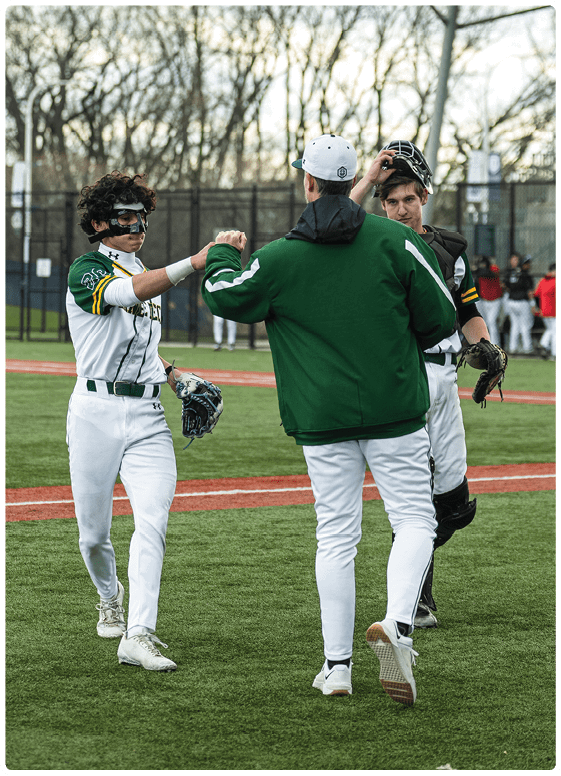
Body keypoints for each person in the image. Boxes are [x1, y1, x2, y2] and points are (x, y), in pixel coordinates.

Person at [202, 134, 456, 705]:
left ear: (309, 183)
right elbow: (440, 316)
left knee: (336, 536)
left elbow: (221, 294)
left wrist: (223, 251)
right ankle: (399, 627)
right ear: (355, 183)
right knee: (416, 521)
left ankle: (337, 667)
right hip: (395, 409)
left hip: (322, 418)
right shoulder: (395, 239)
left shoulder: (278, 257)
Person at [66, 171, 213, 671]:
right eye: (124, 215)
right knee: (93, 535)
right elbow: (126, 294)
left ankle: (139, 635)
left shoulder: (142, 272)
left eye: (140, 214)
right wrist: (196, 261)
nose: (136, 223)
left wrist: (174, 375)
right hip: (95, 412)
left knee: (152, 520)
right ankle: (110, 595)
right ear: (98, 222)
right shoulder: (86, 271)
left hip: (147, 414)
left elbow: (141, 347)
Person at [350, 140, 493, 630]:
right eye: (391, 201)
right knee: (417, 498)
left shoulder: (451, 249)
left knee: (453, 503)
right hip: (400, 376)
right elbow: (329, 221)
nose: (401, 208)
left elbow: (469, 312)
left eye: (408, 199)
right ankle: (413, 601)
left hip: (444, 376)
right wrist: (367, 178)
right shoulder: (368, 242)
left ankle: (414, 591)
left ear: (424, 196)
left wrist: (487, 350)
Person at [502, 253, 534, 354]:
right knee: (525, 325)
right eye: (527, 263)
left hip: (511, 301)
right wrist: (533, 304)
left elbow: (504, 285)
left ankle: (513, 348)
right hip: (522, 302)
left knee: (515, 325)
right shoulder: (525, 274)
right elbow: (529, 291)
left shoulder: (512, 272)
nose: (529, 265)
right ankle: (527, 348)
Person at [473, 255, 503, 346]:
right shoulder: (478, 270)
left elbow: (492, 274)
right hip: (484, 301)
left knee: (492, 322)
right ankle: (486, 343)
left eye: (483, 264)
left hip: (495, 300)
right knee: (484, 323)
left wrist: (478, 270)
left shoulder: (493, 268)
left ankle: (495, 344)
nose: (482, 265)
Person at [533, 263, 556, 360]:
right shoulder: (555, 281)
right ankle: (555, 353)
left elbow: (536, 295)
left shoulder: (542, 280)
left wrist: (539, 308)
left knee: (551, 330)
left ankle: (543, 343)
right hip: (554, 311)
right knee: (555, 332)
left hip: (545, 311)